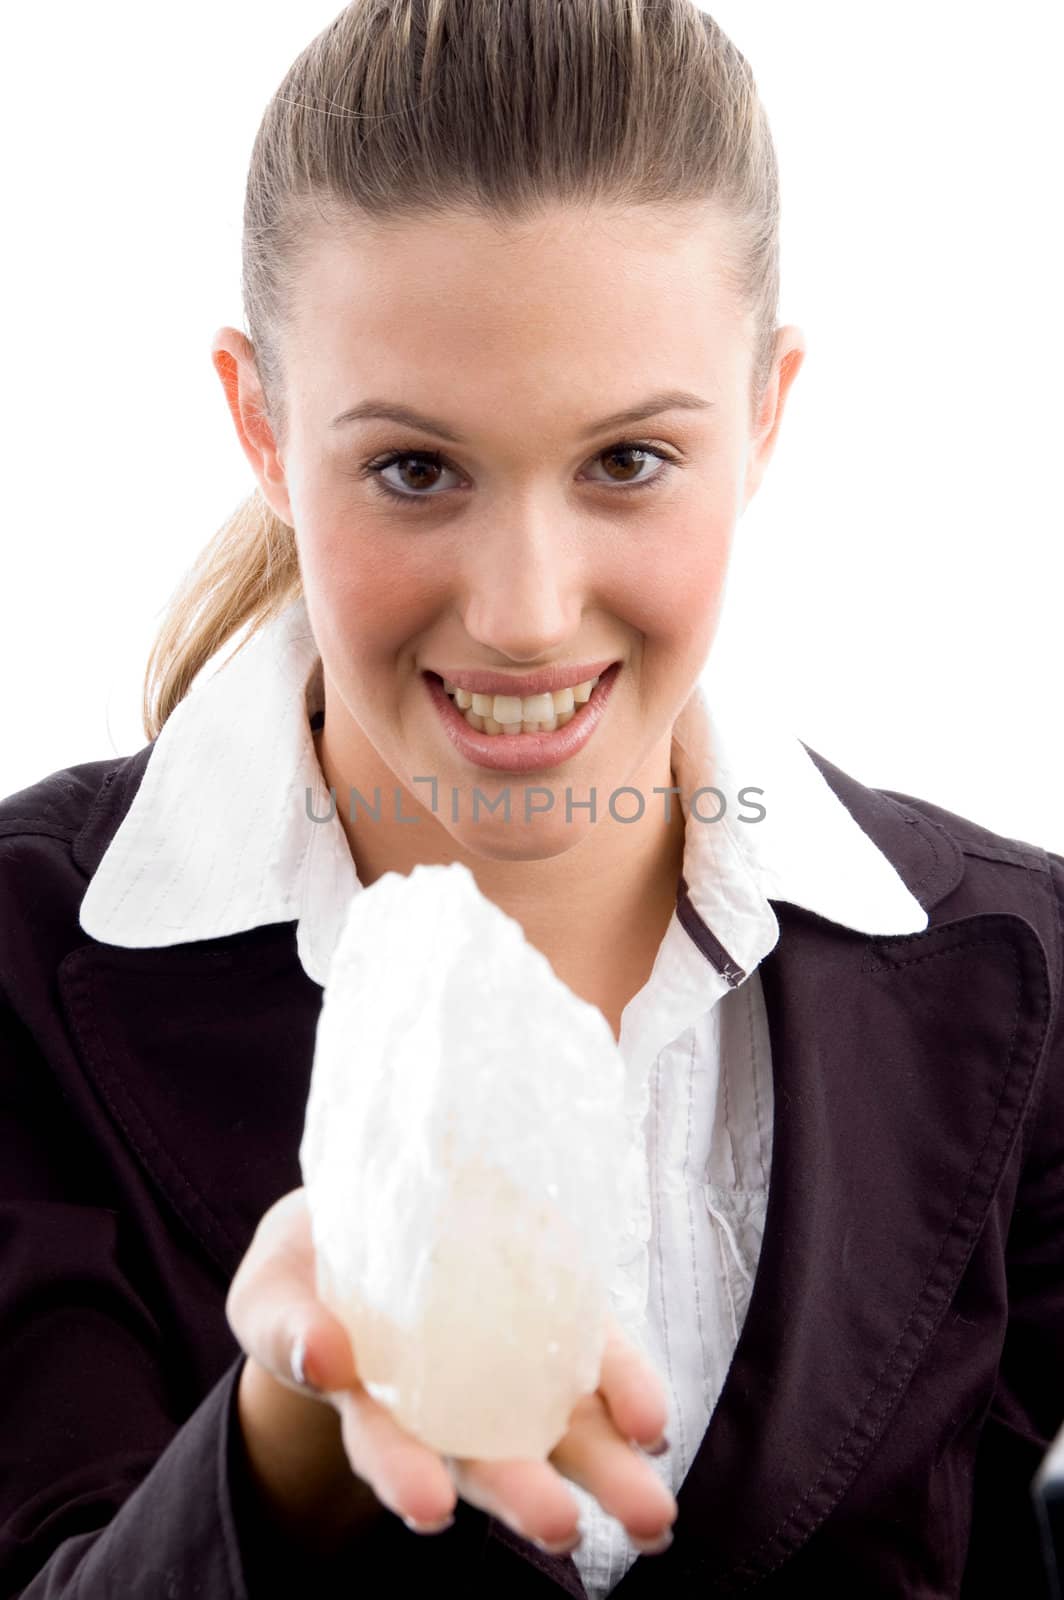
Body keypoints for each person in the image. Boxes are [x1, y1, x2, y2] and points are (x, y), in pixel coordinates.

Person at [1, 2, 1061, 1596]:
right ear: (262, 424)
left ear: (765, 415)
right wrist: (284, 1449)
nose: (524, 607)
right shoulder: (15, 966)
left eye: (628, 461)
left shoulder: (1032, 980)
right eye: (416, 470)